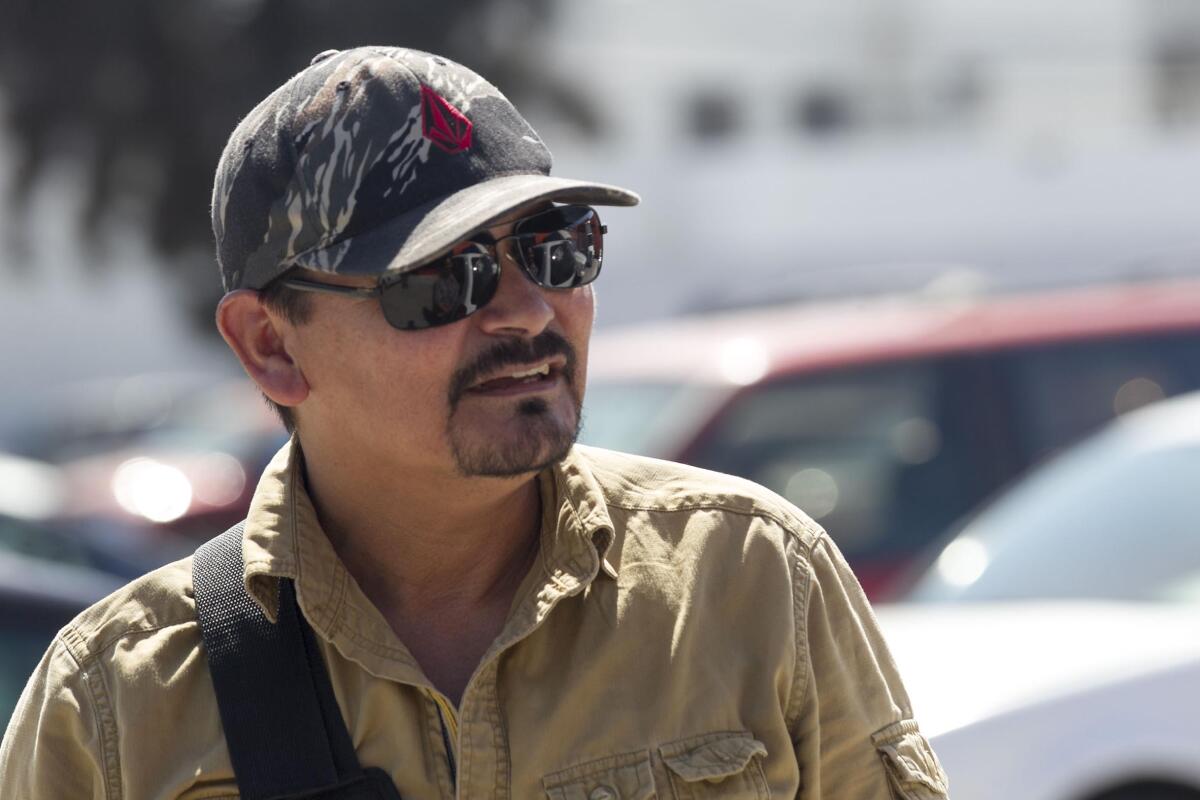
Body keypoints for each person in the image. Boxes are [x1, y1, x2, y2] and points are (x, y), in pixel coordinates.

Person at [0, 46, 948, 799]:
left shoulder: (752, 580)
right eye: (439, 280)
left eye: (555, 249)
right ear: (269, 346)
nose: (530, 312)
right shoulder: (115, 707)